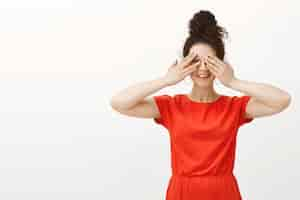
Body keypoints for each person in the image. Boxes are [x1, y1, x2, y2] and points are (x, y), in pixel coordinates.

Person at [110, 10, 291, 200]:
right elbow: (119, 103)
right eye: (195, 61)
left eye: (209, 62)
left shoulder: (234, 107)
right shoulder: (171, 106)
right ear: (185, 64)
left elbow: (282, 100)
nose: (203, 69)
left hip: (224, 192)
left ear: (220, 63)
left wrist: (233, 82)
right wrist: (165, 80)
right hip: (182, 192)